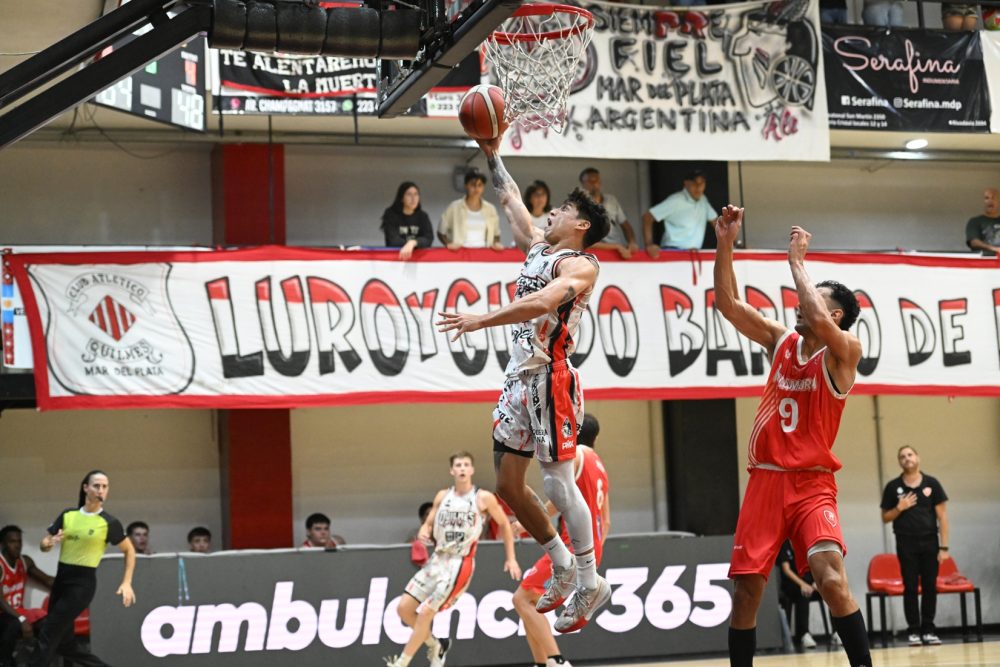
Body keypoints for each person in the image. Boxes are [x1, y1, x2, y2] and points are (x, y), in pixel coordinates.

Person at [436, 130, 613, 634]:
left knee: (557, 480)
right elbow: (511, 197)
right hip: (519, 378)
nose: (551, 213)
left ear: (581, 224)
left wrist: (482, 319)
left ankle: (589, 580)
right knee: (508, 485)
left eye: (562, 210)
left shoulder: (581, 265)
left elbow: (541, 302)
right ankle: (561, 563)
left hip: (551, 377)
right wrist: (491, 151)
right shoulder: (538, 247)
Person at [713, 207, 872, 667]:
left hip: (812, 483)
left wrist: (797, 262)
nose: (798, 304)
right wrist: (724, 244)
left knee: (831, 580)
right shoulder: (780, 340)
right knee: (746, 593)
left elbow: (820, 323)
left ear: (834, 314)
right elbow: (727, 303)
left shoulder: (845, 352)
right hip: (766, 480)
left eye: (810, 299)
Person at [386, 452, 521, 667]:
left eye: (466, 464)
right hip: (437, 559)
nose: (462, 468)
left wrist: (511, 558)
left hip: (460, 562)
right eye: (458, 465)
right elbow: (428, 523)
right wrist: (424, 530)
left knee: (426, 613)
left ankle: (401, 663)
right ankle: (436, 644)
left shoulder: (483, 497)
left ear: (472, 470)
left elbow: (504, 524)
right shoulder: (442, 496)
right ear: (452, 470)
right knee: (403, 609)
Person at [512, 414, 610, 667]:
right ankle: (542, 663)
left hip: (572, 546)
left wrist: (527, 522)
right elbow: (606, 521)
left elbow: (560, 498)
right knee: (529, 604)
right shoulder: (599, 464)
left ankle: (557, 661)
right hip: (590, 548)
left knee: (522, 599)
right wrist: (592, 557)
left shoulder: (575, 454)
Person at [28, 470, 136, 667]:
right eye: (96, 486)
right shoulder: (68, 515)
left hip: (82, 584)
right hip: (61, 581)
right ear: (86, 488)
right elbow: (44, 544)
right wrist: (48, 543)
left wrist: (127, 582)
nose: (101, 490)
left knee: (48, 632)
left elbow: (129, 550)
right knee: (64, 644)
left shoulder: (109, 522)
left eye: (105, 486)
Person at [880, 445, 950, 646]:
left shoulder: (931, 484)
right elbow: (885, 517)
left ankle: (928, 629)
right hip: (906, 543)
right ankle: (913, 631)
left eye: (910, 454)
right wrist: (899, 508)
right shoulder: (893, 487)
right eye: (902, 456)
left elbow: (943, 517)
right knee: (910, 586)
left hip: (930, 542)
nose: (906, 458)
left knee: (929, 586)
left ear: (917, 457)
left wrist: (944, 547)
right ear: (899, 462)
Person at [0, 526, 54, 667]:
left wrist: (71, 583)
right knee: (12, 624)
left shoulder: (25, 562)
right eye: (12, 542)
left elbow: (48, 580)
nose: (17, 545)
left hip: (18, 612)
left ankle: (39, 663)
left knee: (48, 623)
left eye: (19, 541)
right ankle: (5, 662)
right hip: (3, 614)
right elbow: (0, 601)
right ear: (3, 544)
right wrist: (21, 619)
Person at [642, 169, 718, 258]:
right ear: (686, 183)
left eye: (702, 183)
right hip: (672, 251)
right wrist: (649, 245)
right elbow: (647, 217)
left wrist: (730, 243)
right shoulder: (676, 200)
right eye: (694, 183)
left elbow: (716, 222)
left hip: (692, 254)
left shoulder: (703, 200)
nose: (698, 187)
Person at [579, 167, 639, 259]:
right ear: (582, 184)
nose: (594, 183)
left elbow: (626, 225)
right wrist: (616, 246)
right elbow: (582, 240)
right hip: (593, 255)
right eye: (589, 181)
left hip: (618, 253)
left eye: (596, 180)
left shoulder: (611, 200)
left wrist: (632, 242)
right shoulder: (578, 206)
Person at [438, 170, 504, 251]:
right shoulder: (454, 207)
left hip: (484, 252)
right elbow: (440, 231)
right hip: (460, 253)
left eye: (480, 185)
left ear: (483, 187)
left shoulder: (491, 209)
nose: (476, 188)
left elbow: (496, 234)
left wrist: (496, 243)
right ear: (466, 185)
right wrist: (448, 244)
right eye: (472, 184)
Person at [776, 540, 821, 649]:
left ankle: (836, 632)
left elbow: (813, 564)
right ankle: (804, 634)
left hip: (809, 582)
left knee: (829, 593)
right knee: (804, 593)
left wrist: (816, 581)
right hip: (792, 585)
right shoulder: (784, 544)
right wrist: (803, 584)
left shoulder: (806, 543)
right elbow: (786, 570)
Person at [382, 181, 435, 260]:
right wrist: (411, 244)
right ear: (401, 198)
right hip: (396, 259)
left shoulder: (423, 216)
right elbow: (393, 240)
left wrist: (413, 243)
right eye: (409, 194)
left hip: (418, 259)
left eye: (416, 194)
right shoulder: (391, 215)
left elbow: (428, 238)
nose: (413, 198)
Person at [965, 187, 1000, 256]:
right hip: (984, 260)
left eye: (993, 198)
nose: (990, 201)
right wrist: (995, 249)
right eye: (987, 198)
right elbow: (974, 242)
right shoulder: (975, 221)